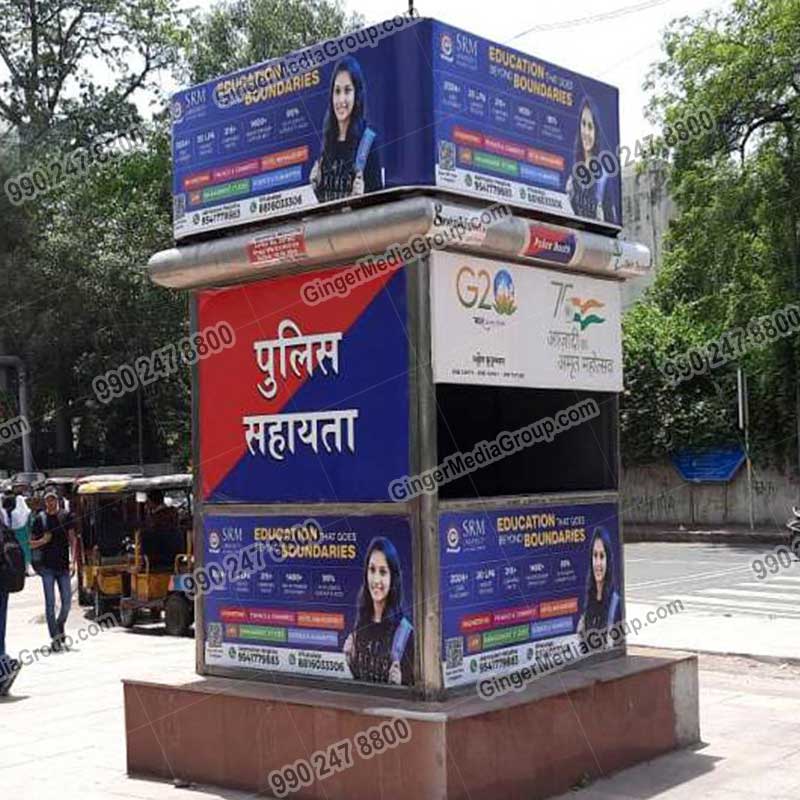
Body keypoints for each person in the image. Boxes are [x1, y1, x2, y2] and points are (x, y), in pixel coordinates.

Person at [309, 56, 383, 203]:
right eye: (337, 91)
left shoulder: (368, 142)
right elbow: (326, 205)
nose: (341, 100)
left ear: (357, 95)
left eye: (347, 90)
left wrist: (364, 197)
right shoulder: (328, 140)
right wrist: (316, 187)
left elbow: (380, 207)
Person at [343, 537, 414, 685]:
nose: (376, 580)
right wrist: (350, 662)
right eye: (372, 570)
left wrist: (402, 683)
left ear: (393, 578)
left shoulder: (406, 634)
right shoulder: (360, 624)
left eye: (383, 572)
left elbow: (416, 692)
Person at [31, 488, 77, 652]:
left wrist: (73, 560)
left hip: (64, 566)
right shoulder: (39, 520)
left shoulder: (66, 516)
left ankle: (60, 624)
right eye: (48, 500)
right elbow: (31, 543)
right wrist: (43, 540)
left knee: (66, 603)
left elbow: (72, 539)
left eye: (53, 499)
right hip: (47, 568)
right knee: (50, 603)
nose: (51, 502)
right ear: (45, 502)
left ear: (57, 500)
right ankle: (55, 637)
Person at [566, 97, 618, 225]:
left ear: (596, 132)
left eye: (590, 126)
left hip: (597, 242)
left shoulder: (604, 179)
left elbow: (611, 223)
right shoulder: (572, 176)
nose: (586, 132)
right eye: (583, 124)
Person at [577, 526, 621, 647]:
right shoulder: (587, 602)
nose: (598, 563)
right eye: (594, 555)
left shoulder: (616, 604)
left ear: (608, 559)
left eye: (602, 556)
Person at [1, 493, 32, 574]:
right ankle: (26, 568)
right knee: (25, 550)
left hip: (16, 533)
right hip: (23, 533)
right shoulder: (26, 511)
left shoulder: (13, 511)